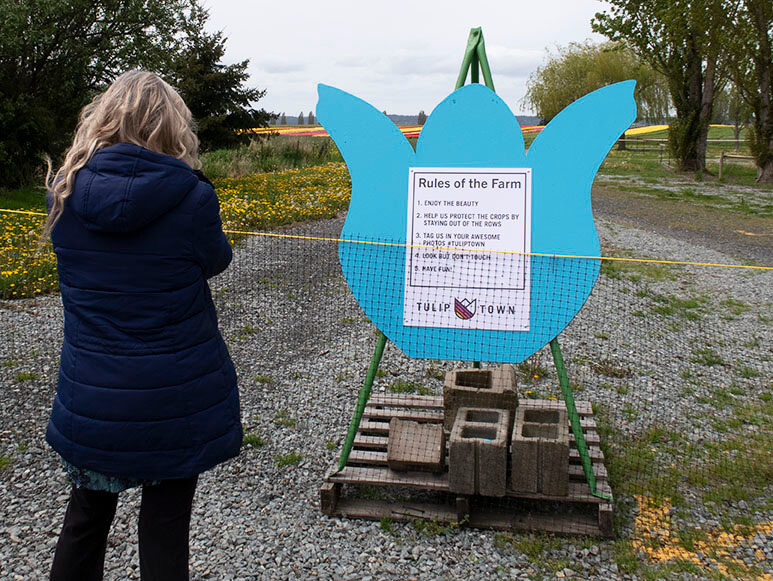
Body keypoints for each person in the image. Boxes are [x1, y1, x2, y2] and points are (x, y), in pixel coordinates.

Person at [44, 70, 242, 580]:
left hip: (94, 394)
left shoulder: (64, 194)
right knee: (165, 527)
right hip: (173, 398)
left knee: (85, 518)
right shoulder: (192, 197)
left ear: (104, 117)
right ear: (171, 126)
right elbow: (215, 260)